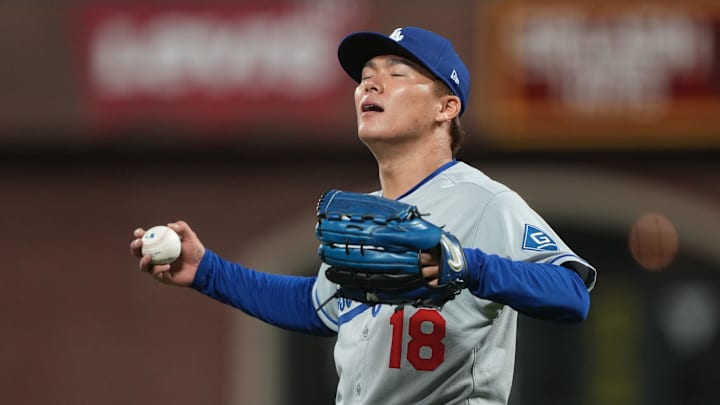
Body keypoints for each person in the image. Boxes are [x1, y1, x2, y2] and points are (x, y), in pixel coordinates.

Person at [130, 26, 596, 405]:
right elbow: (315, 306)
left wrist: (472, 266)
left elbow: (572, 294)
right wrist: (208, 271)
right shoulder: (369, 217)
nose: (370, 83)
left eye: (397, 72)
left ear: (446, 107)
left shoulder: (485, 201)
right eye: (366, 75)